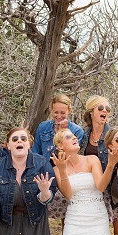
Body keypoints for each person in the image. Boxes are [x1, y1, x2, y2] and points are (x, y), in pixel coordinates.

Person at [79, 95, 118, 235]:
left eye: (107, 109)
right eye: (100, 108)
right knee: (96, 230)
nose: (105, 111)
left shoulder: (113, 134)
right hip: (91, 190)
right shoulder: (83, 135)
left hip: (112, 187)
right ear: (91, 112)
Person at [32, 93, 84, 222]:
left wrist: (64, 133)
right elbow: (35, 152)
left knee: (68, 214)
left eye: (62, 112)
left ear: (69, 111)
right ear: (51, 110)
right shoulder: (43, 127)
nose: (59, 116)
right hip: (44, 174)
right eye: (56, 112)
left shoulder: (76, 131)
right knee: (40, 209)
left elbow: (69, 155)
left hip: (65, 174)